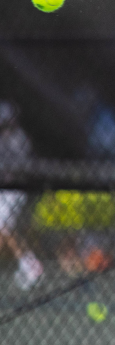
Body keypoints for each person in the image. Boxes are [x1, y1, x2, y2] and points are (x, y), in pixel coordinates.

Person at [0, 101, 43, 290]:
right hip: (6, 190)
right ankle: (29, 264)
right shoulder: (6, 137)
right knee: (5, 229)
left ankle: (31, 265)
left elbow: (17, 167)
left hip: (14, 190)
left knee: (4, 227)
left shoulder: (18, 138)